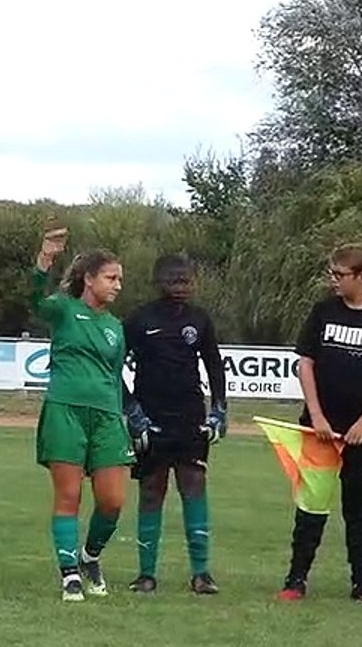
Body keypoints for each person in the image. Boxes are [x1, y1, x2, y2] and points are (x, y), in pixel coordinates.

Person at [277, 245, 362, 604]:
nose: (332, 280)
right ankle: (295, 580)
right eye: (331, 273)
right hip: (318, 432)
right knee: (311, 507)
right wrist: (316, 415)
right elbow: (305, 363)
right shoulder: (322, 312)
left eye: (340, 274)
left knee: (360, 511)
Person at [31, 227, 136, 602]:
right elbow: (34, 301)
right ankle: (69, 574)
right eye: (111, 278)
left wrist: (129, 414)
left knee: (112, 501)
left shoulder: (115, 328)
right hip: (65, 411)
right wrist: (44, 260)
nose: (117, 285)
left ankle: (90, 557)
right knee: (69, 496)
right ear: (89, 280)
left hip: (106, 417)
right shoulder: (63, 309)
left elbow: (115, 376)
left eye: (119, 279)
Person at [123, 254, 227, 595]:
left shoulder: (200, 319)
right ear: (159, 282)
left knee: (194, 485)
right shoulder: (140, 319)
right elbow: (113, 368)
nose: (182, 287)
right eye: (174, 281)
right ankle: (146, 574)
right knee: (152, 490)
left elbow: (214, 365)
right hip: (151, 418)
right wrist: (131, 410)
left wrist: (219, 409)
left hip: (189, 417)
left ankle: (201, 574)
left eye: (187, 281)